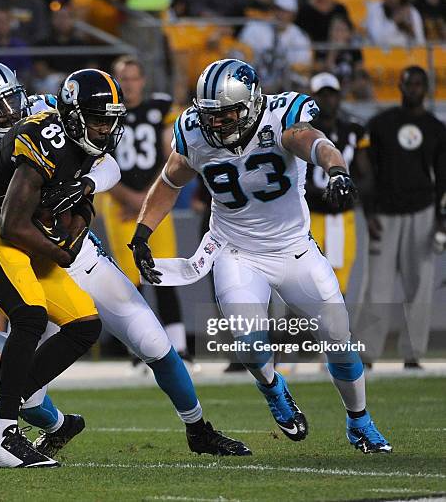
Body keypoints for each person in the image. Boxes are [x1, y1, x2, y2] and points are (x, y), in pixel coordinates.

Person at [0, 65, 251, 459]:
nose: (10, 111)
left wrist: (85, 188)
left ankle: (199, 429)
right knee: (27, 393)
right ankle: (44, 423)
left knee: (153, 341)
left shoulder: (50, 111)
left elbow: (108, 163)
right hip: (19, 254)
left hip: (74, 251)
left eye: (12, 99)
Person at [129, 58, 392, 454]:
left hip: (293, 248)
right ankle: (272, 387)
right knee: (248, 341)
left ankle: (360, 421)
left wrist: (337, 170)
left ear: (252, 103)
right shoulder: (194, 133)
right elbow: (170, 179)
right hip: (236, 251)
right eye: (210, 115)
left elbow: (314, 142)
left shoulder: (281, 116)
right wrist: (143, 230)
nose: (216, 124)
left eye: (227, 114)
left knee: (339, 341)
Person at [0, 67, 121, 468]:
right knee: (28, 316)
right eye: (97, 121)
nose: (104, 130)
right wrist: (61, 252)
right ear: (75, 119)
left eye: (110, 121)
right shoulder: (45, 138)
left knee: (84, 324)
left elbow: (79, 189)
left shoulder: (79, 143)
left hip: (17, 231)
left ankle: (0, 409)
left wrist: (80, 210)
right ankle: (3, 437)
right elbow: (11, 223)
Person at [358, 66, 446, 368]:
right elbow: (367, 173)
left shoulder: (437, 128)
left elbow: (444, 178)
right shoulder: (381, 124)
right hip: (384, 213)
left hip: (422, 212)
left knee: (420, 287)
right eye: (409, 83)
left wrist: (442, 218)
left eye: (420, 84)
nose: (414, 89)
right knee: (377, 288)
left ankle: (413, 354)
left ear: (426, 87)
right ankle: (367, 354)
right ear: (400, 85)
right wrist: (368, 212)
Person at [104, 56, 190, 362]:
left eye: (133, 77)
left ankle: (179, 347)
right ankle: (139, 349)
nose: (128, 84)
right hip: (118, 203)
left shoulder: (159, 109)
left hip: (153, 200)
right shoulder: (105, 111)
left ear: (143, 80)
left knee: (163, 272)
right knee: (130, 281)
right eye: (122, 78)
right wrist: (130, 198)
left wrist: (147, 198)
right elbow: (97, 162)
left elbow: (172, 155)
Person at [303, 72, 372, 296]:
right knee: (307, 283)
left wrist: (350, 193)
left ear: (339, 97)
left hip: (343, 216)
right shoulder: (298, 132)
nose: (327, 100)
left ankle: (335, 330)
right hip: (310, 215)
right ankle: (303, 331)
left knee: (338, 284)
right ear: (311, 98)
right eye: (321, 95)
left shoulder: (352, 129)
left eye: (331, 95)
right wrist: (316, 192)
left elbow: (366, 174)